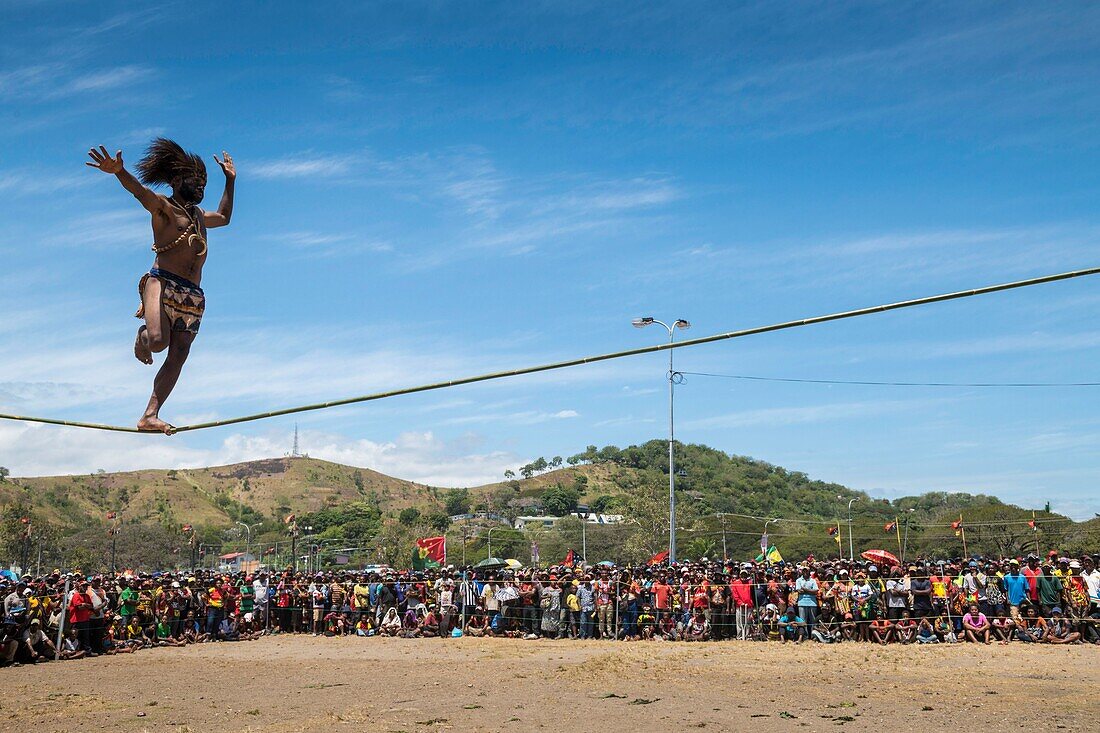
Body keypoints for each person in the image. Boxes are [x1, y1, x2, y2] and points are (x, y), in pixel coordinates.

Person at [85, 139, 235, 433]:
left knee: (179, 354)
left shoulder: (200, 217)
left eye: (205, 182)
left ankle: (149, 415)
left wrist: (230, 181)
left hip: (192, 295)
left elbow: (226, 218)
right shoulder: (164, 208)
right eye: (197, 180)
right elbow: (139, 192)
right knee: (157, 342)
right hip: (161, 283)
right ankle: (143, 336)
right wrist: (119, 172)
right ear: (177, 180)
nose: (202, 186)